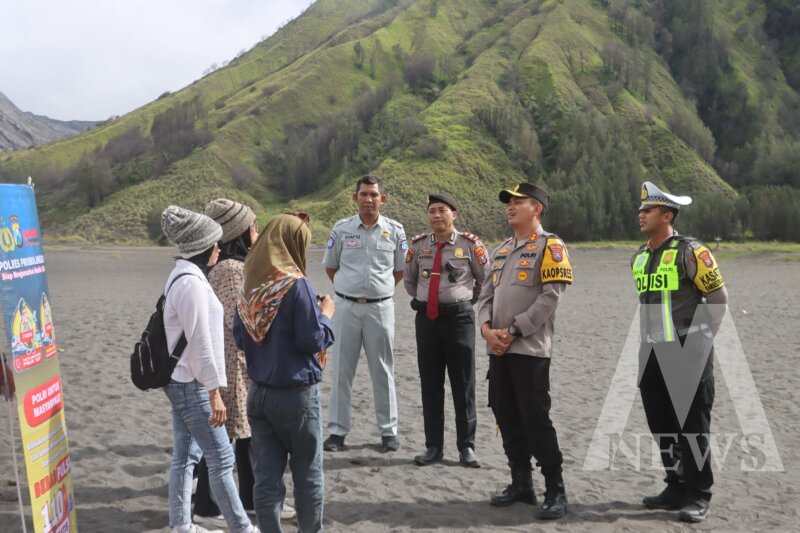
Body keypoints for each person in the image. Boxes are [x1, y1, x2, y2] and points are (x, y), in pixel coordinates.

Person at [198, 199, 302, 522]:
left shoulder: (231, 266)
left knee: (241, 435)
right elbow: (234, 320)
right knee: (225, 436)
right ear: (238, 233)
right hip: (232, 363)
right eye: (252, 227)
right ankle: (208, 505)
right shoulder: (230, 269)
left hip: (235, 361)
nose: (256, 232)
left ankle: (249, 498)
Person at [633, 181, 728, 523]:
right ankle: (675, 485)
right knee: (661, 422)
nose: (641, 214)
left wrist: (700, 345)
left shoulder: (691, 251)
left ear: (667, 214)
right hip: (652, 348)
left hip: (688, 345)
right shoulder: (640, 255)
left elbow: (718, 300)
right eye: (641, 209)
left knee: (692, 426)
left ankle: (699, 493)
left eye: (648, 210)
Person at [477, 183, 573, 520]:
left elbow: (550, 297)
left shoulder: (551, 246)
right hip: (498, 350)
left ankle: (555, 488)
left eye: (519, 202)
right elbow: (485, 296)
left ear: (537, 208)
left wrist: (514, 329)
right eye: (509, 202)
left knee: (535, 419)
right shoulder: (501, 249)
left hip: (529, 349)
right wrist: (488, 331)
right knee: (505, 414)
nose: (510, 207)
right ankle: (521, 482)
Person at [160, 205, 258, 533]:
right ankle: (242, 527)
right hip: (193, 384)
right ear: (202, 246)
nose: (219, 248)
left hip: (184, 380)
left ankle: (181, 525)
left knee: (186, 456)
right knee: (221, 459)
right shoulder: (191, 283)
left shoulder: (186, 276)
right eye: (214, 243)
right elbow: (201, 342)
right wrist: (215, 393)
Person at [235, 214, 335, 533]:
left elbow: (240, 336)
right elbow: (312, 339)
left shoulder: (251, 284)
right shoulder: (296, 285)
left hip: (258, 393)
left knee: (266, 479)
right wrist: (326, 316)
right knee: (307, 476)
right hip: (296, 396)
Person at [322, 175, 407, 453]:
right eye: (364, 194)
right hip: (346, 307)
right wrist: (351, 290)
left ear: (383, 199)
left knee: (383, 370)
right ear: (354, 198)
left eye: (374, 195)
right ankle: (337, 431)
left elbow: (399, 270)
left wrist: (375, 292)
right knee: (341, 371)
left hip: (380, 308)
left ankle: (388, 431)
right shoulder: (342, 229)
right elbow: (331, 267)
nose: (369, 199)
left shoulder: (395, 231)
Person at [403, 193, 489, 467]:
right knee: (430, 383)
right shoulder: (418, 246)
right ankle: (433, 447)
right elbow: (410, 281)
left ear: (454, 214)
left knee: (463, 383)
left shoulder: (470, 245)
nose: (436, 216)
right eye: (432, 211)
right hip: (427, 321)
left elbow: (484, 280)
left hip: (459, 320)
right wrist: (431, 299)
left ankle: (466, 447)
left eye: (442, 211)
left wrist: (462, 300)